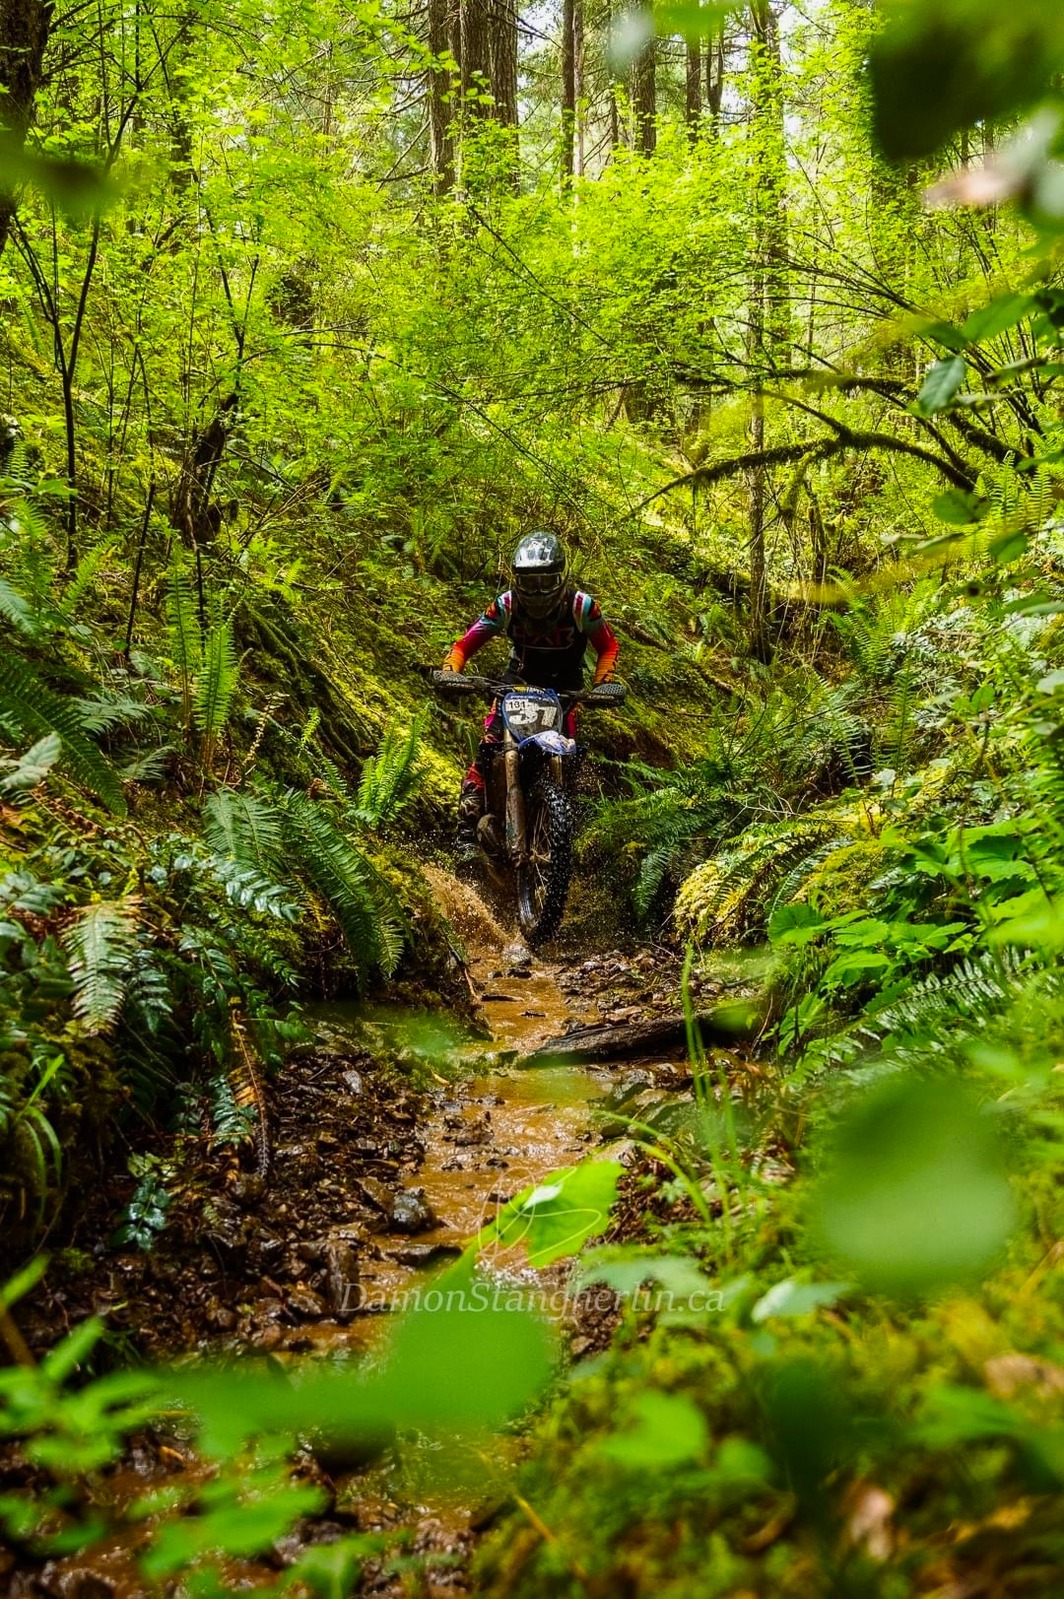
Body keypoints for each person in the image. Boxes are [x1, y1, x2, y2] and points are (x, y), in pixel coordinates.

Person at [441, 531, 620, 862]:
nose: (537, 590)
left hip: (564, 690)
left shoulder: (581, 606)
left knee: (570, 758)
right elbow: (464, 644)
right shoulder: (506, 605)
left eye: (545, 581)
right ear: (516, 579)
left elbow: (607, 646)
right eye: (529, 582)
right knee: (489, 747)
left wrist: (602, 684)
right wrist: (452, 670)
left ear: (560, 578)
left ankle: (562, 833)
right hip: (516, 684)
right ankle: (465, 832)